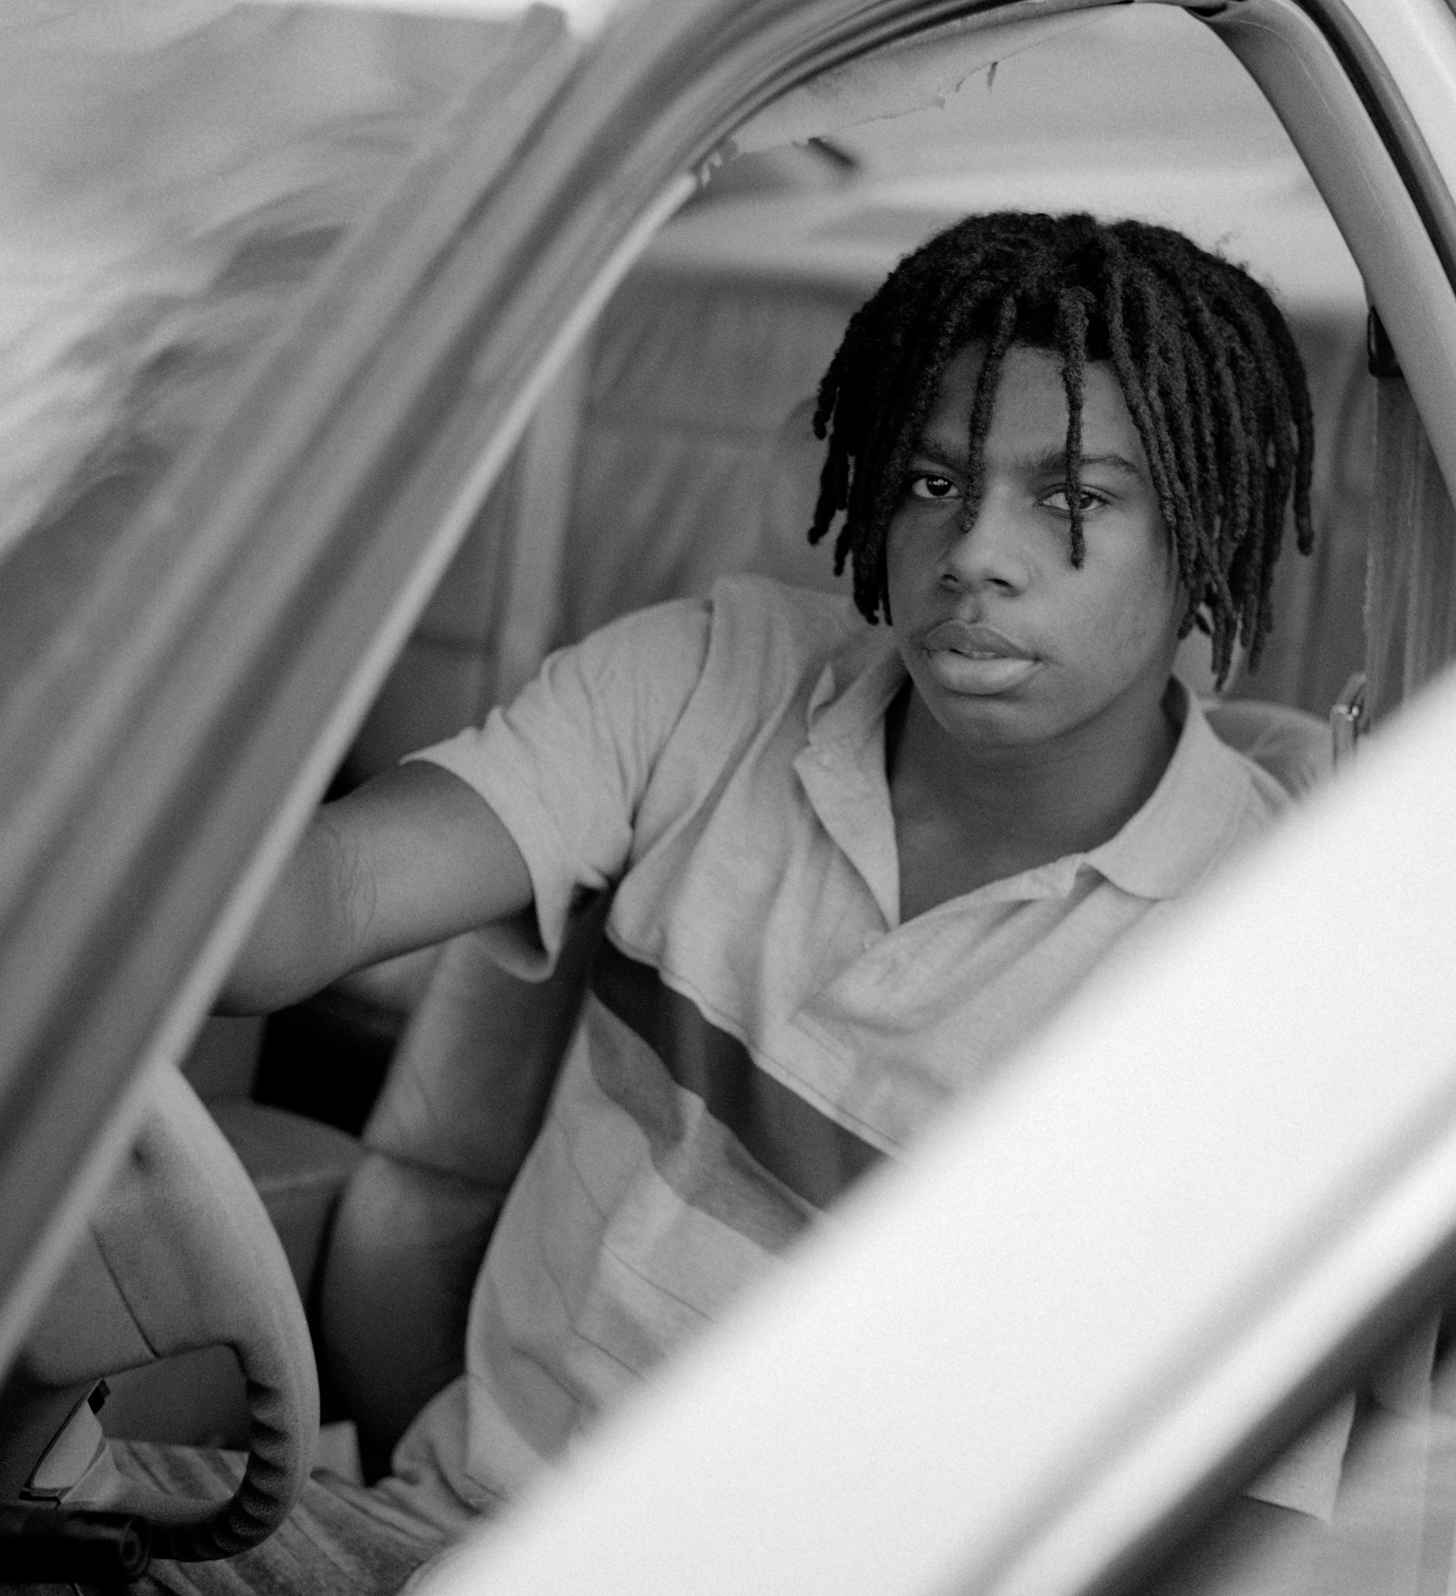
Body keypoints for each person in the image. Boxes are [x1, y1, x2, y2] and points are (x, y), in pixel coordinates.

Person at [168, 208, 1325, 1593]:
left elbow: (1259, 1527)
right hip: (430, 1532)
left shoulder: (1283, 970)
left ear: (1203, 534)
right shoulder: (714, 677)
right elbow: (313, 905)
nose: (974, 554)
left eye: (1073, 499)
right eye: (933, 482)